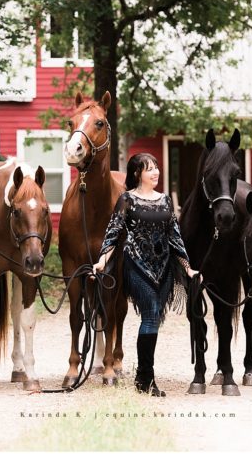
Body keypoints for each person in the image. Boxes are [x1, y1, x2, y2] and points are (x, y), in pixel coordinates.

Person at [93, 153, 199, 397]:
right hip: (136, 266)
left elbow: (174, 236)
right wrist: (102, 261)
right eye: (149, 168)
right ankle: (146, 378)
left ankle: (143, 378)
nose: (155, 172)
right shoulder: (127, 200)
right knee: (150, 313)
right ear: (137, 173)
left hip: (163, 269)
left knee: (153, 319)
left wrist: (187, 267)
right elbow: (113, 232)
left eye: (156, 168)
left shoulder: (164, 201)